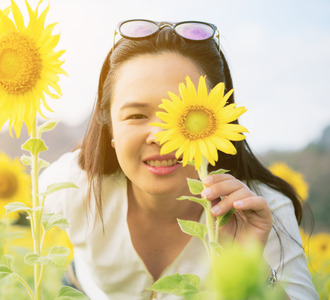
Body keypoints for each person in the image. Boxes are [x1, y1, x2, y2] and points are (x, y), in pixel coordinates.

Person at [40, 20, 318, 300]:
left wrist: (251, 267)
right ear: (109, 126)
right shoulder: (68, 187)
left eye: (187, 118)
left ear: (221, 119)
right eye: (137, 115)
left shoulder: (258, 212)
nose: (162, 136)